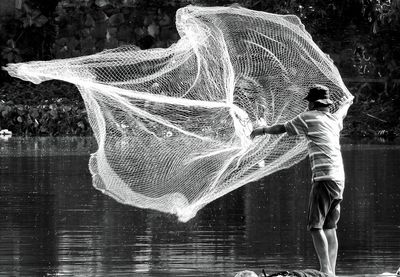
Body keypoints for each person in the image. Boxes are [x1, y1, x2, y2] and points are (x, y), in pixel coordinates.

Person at [250, 84, 353, 277]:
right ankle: (332, 271)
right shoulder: (334, 120)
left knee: (315, 227)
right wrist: (347, 102)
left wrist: (261, 130)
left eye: (309, 103)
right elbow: (342, 112)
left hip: (323, 178)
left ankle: (325, 271)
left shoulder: (308, 117)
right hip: (339, 179)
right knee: (330, 227)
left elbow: (282, 128)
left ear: (313, 104)